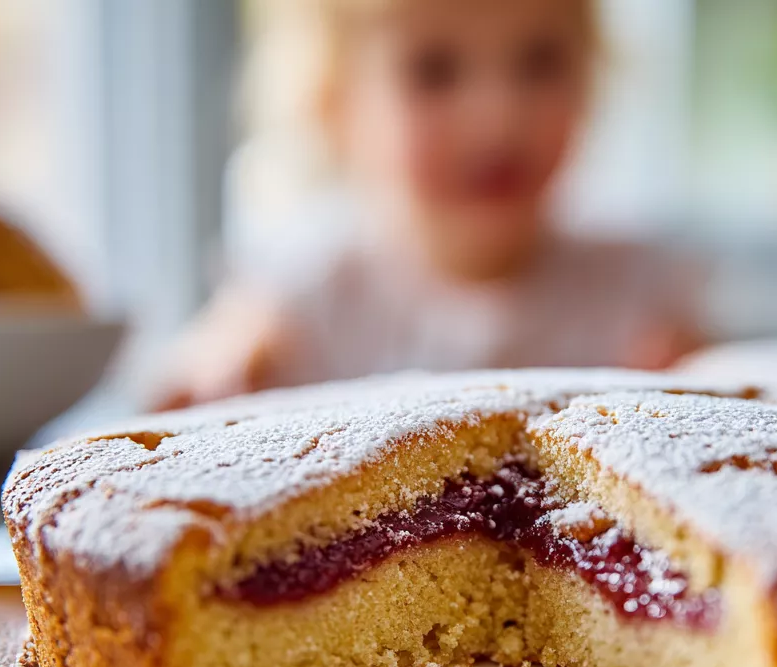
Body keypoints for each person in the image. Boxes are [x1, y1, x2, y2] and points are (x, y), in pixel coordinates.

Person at [156, 0, 707, 409]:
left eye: (540, 62)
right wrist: (221, 362)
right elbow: (184, 387)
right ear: (334, 103)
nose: (498, 116)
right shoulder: (301, 298)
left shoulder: (635, 291)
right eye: (434, 70)